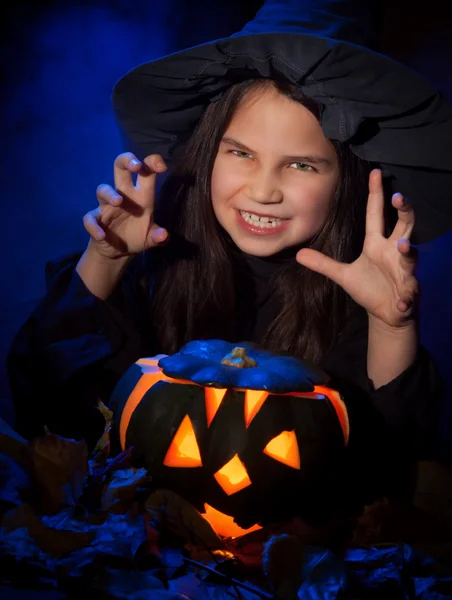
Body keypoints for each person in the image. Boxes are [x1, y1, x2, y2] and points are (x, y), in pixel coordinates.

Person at [6, 0, 451, 496]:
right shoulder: (156, 258)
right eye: (241, 154)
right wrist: (105, 261)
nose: (263, 191)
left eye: (302, 165)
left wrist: (392, 328)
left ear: (346, 181)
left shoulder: (360, 297)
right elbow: (50, 415)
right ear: (208, 151)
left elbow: (383, 473)